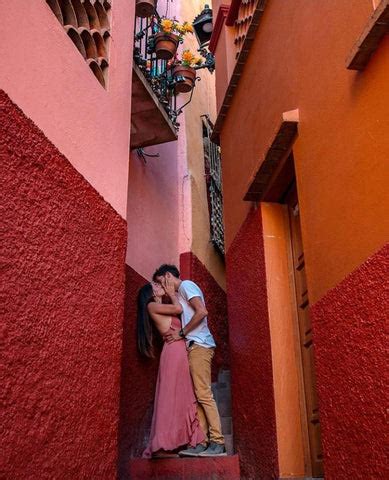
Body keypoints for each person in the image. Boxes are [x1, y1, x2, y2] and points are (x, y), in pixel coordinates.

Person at [153, 264, 226, 457]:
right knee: (197, 395)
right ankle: (202, 442)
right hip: (194, 347)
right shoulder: (181, 293)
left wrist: (182, 333)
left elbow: (202, 312)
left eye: (161, 281)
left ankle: (218, 442)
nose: (162, 286)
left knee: (203, 394)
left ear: (168, 276)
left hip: (200, 345)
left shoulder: (186, 285)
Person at [137, 277, 205, 458]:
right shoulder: (151, 306)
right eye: (155, 285)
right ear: (150, 294)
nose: (160, 286)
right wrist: (172, 294)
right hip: (174, 353)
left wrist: (167, 296)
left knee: (181, 397)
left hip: (178, 352)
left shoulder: (159, 306)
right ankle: (161, 446)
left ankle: (175, 441)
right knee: (170, 399)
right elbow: (179, 308)